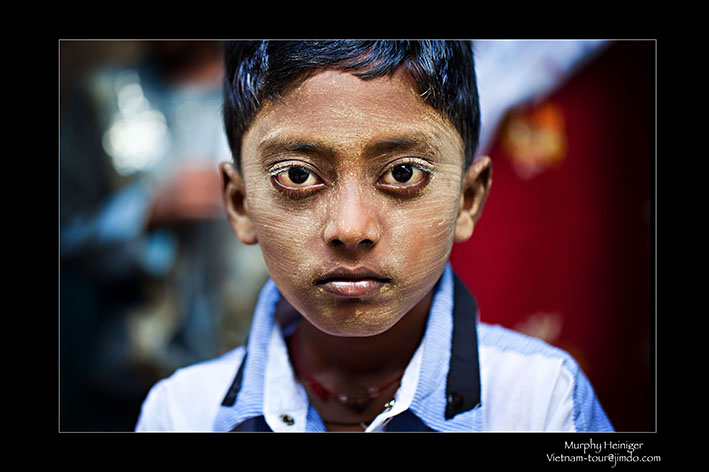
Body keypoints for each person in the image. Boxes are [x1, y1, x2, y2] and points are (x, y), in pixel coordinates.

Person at [134, 40, 613, 432]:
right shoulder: (181, 414)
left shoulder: (542, 402)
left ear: (468, 199)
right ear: (241, 205)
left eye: (403, 173)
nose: (350, 229)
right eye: (297, 177)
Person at [60, 41, 268, 430]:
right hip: (132, 376)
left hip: (256, 373)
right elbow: (67, 235)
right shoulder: (103, 94)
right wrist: (148, 211)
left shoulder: (271, 89)